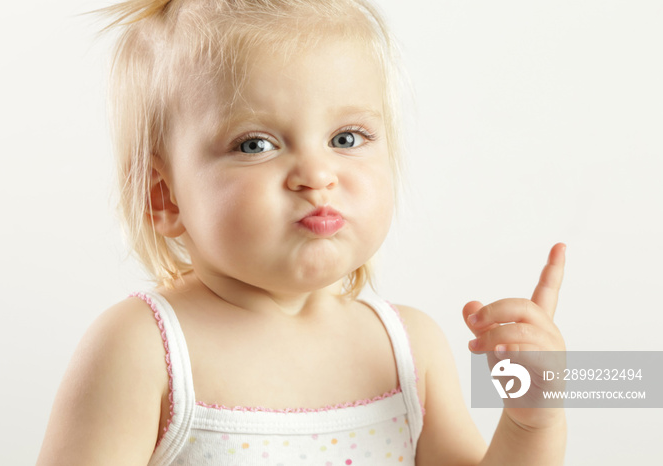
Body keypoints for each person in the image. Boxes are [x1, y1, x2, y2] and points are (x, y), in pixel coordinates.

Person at [37, 0, 567, 464]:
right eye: (255, 144)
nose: (317, 175)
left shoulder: (410, 349)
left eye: (346, 137)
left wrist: (530, 422)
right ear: (165, 196)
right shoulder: (144, 348)